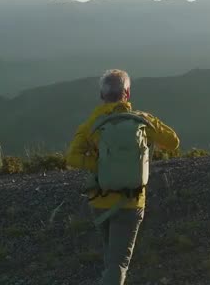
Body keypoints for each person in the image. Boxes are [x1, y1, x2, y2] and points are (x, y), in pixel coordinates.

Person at [67, 69, 180, 285]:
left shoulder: (92, 125)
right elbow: (173, 142)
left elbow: (72, 157)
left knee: (112, 258)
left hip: (100, 200)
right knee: (118, 263)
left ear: (102, 96)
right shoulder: (142, 121)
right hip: (131, 201)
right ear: (127, 94)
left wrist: (102, 166)